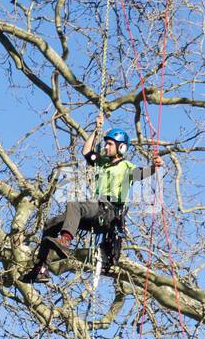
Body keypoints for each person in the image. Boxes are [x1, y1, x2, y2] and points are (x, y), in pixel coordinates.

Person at [21, 114, 164, 284]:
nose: (106, 147)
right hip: (96, 211)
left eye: (110, 144)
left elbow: (143, 173)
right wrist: (96, 131)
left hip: (108, 211)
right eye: (106, 143)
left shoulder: (127, 167)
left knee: (75, 205)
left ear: (121, 148)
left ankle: (65, 241)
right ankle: (41, 269)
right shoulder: (102, 162)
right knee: (52, 223)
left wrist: (154, 167)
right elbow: (86, 152)